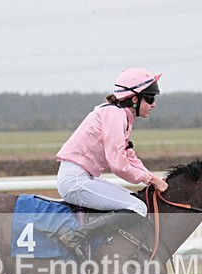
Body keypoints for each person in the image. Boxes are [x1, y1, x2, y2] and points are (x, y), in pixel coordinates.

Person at [55, 67, 168, 261]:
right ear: (134, 98)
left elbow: (128, 155)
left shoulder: (121, 115)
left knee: (135, 202)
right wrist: (149, 179)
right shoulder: (115, 115)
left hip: (82, 177)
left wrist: (153, 178)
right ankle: (76, 237)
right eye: (150, 98)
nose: (154, 104)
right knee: (137, 208)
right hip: (75, 181)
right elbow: (118, 164)